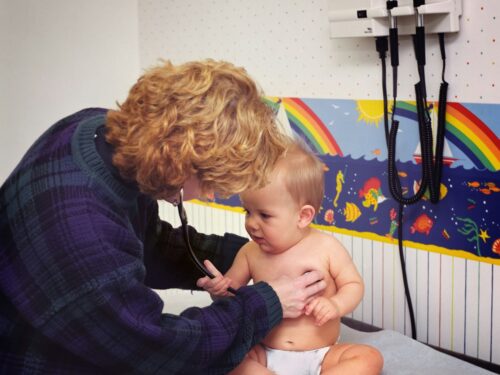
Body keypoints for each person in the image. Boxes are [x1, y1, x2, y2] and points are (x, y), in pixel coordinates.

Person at [0, 59, 327, 374]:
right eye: (211, 184)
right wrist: (266, 303)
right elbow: (159, 350)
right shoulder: (81, 230)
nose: (211, 194)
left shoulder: (106, 131)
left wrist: (259, 255)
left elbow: (148, 245)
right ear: (179, 165)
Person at [198, 138, 384, 374]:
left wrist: (335, 304)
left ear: (303, 216)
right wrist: (219, 291)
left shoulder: (326, 247)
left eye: (264, 215)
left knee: (369, 358)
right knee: (228, 359)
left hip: (321, 354)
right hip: (265, 352)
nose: (251, 223)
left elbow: (353, 285)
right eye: (248, 211)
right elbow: (233, 293)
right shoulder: (249, 252)